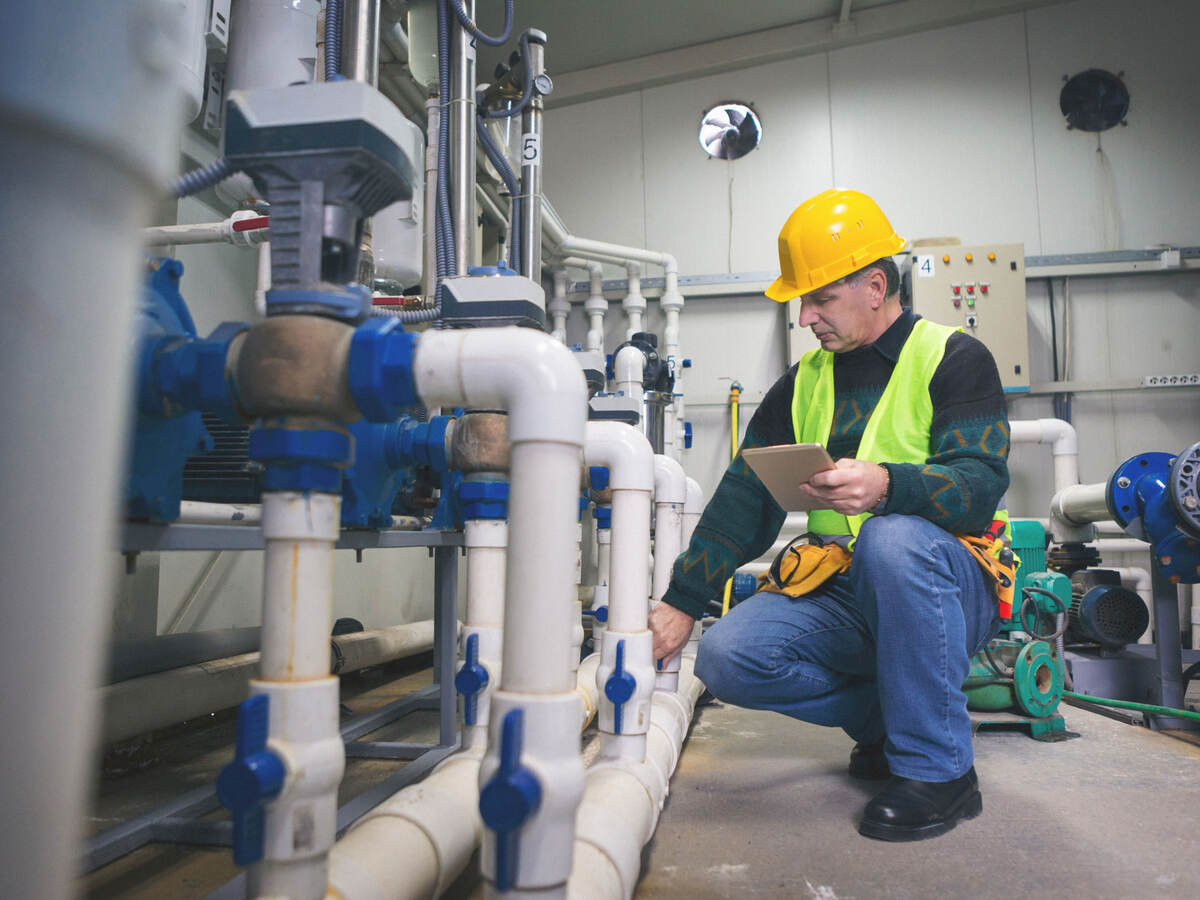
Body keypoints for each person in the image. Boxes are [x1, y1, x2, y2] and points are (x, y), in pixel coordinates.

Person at [648, 188, 1011, 842]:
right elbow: (744, 495)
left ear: (876, 286)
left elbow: (980, 486)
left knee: (893, 540)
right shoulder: (803, 383)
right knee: (729, 656)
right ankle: (889, 718)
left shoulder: (953, 358)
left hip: (948, 588)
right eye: (801, 302)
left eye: (819, 299)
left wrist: (885, 486)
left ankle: (941, 772)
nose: (806, 317)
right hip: (842, 590)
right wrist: (683, 598)